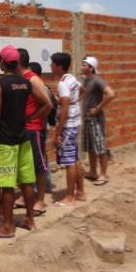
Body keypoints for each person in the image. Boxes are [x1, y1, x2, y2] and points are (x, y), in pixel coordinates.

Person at [0, 45, 50, 238]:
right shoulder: (25, 83)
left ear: (3, 62)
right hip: (24, 140)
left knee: (6, 184)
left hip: (7, 143)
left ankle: (7, 226)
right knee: (27, 182)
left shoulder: (0, 84)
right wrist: (30, 119)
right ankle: (30, 220)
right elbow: (46, 104)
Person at [15, 49, 53, 216]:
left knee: (39, 165)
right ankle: (26, 197)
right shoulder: (22, 79)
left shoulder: (33, 79)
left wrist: (31, 118)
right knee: (25, 165)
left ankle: (41, 201)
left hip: (34, 129)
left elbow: (48, 105)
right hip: (24, 129)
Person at [50, 52, 86, 205]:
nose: (50, 66)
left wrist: (58, 132)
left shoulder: (62, 83)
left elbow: (64, 107)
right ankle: (80, 192)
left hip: (67, 126)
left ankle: (70, 197)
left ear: (58, 66)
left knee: (69, 160)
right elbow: (82, 91)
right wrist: (74, 104)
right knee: (75, 158)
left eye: (52, 63)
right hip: (74, 122)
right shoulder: (71, 78)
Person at [81, 56, 116, 186]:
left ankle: (104, 174)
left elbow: (111, 94)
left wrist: (97, 108)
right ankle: (93, 171)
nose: (82, 67)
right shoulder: (86, 81)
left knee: (100, 147)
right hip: (87, 118)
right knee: (90, 146)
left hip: (96, 118)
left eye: (84, 65)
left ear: (91, 68)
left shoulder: (97, 80)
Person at [28, 61, 56, 194]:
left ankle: (39, 187)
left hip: (39, 126)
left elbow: (48, 106)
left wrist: (33, 117)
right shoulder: (45, 86)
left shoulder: (39, 87)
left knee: (38, 159)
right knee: (42, 157)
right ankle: (47, 185)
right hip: (44, 126)